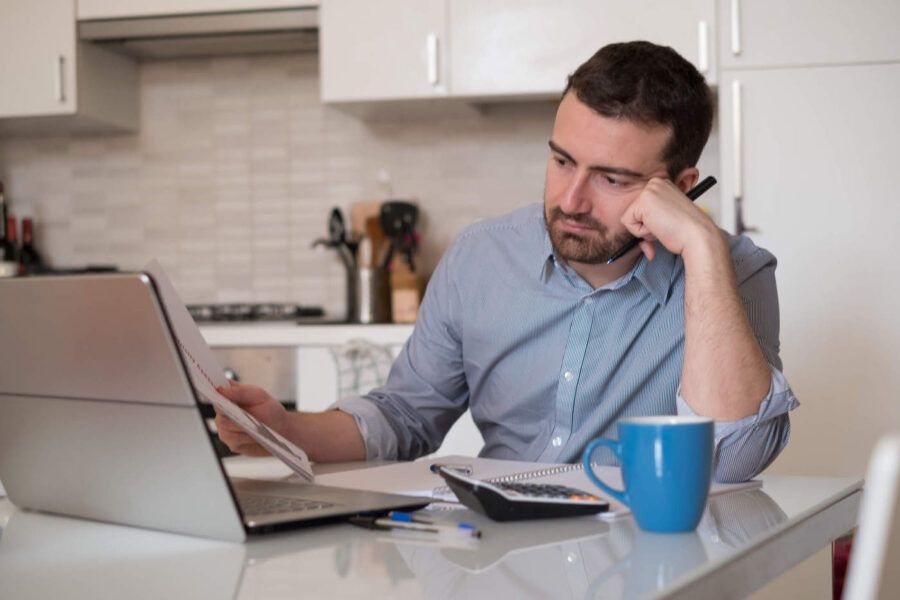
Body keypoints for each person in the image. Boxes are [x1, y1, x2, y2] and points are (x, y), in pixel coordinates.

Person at [216, 41, 799, 482]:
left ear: (681, 185)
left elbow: (734, 458)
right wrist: (286, 430)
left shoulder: (732, 271)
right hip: (492, 553)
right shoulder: (481, 257)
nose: (571, 200)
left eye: (612, 178)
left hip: (648, 562)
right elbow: (405, 416)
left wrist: (700, 248)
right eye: (562, 161)